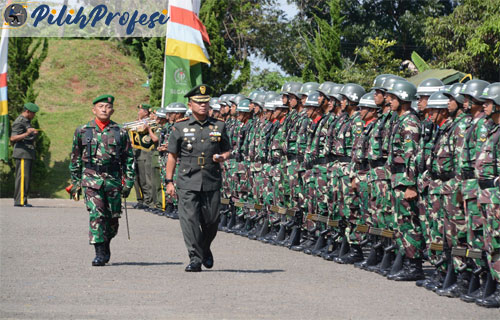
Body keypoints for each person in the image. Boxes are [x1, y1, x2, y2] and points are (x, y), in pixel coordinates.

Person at [165, 84, 231, 272]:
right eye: (198, 102)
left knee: (212, 220)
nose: (203, 105)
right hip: (187, 179)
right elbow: (172, 155)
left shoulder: (219, 125)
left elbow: (227, 150)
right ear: (190, 104)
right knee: (190, 219)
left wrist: (222, 157)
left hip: (211, 179)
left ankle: (204, 247)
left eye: (205, 102)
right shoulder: (180, 127)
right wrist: (169, 181)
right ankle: (195, 258)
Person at [69, 94, 135, 266]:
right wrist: (76, 182)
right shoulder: (82, 131)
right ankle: (98, 252)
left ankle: (106, 243)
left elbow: (129, 159)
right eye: (101, 106)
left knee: (112, 218)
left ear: (112, 110)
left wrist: (128, 182)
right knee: (96, 214)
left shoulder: (120, 132)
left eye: (107, 107)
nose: (104, 109)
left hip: (113, 180)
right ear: (94, 110)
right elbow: (75, 158)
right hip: (91, 179)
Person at [10, 103, 39, 207]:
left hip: (27, 153)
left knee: (25, 178)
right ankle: (20, 201)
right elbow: (13, 138)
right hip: (22, 153)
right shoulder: (19, 121)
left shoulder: (27, 121)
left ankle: (23, 200)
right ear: (27, 111)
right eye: (33, 113)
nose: (34, 115)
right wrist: (27, 133)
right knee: (22, 177)